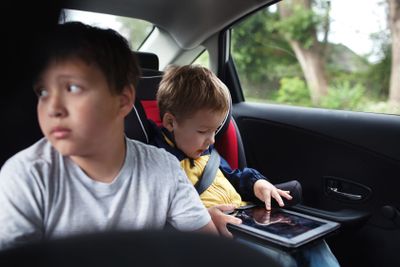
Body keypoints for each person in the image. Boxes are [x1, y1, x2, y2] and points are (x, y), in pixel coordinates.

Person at [0, 22, 217, 251]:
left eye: (73, 88)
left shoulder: (164, 169)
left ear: (123, 100)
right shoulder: (26, 177)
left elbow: (210, 252)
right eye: (43, 92)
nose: (53, 108)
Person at [149, 64, 340, 267]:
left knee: (313, 242)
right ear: (170, 122)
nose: (212, 140)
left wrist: (258, 184)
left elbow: (236, 176)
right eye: (203, 131)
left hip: (247, 220)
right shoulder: (158, 162)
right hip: (217, 232)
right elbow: (160, 215)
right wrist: (203, 219)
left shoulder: (206, 152)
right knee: (280, 259)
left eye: (215, 130)